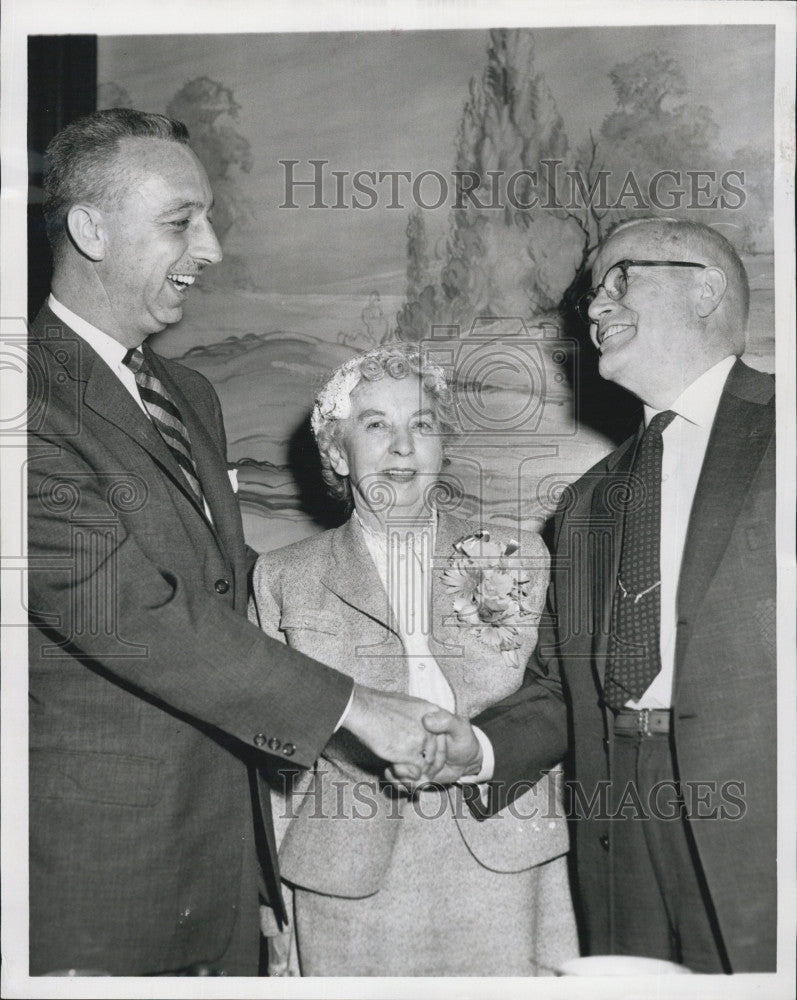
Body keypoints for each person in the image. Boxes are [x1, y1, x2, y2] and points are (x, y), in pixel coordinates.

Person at [27, 108, 446, 976]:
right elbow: (136, 614)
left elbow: (232, 585)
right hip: (97, 879)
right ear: (89, 229)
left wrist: (396, 610)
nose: (211, 249)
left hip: (221, 858)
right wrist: (359, 711)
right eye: (181, 222)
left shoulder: (186, 394)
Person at [414, 219, 776, 973]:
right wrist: (475, 747)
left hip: (766, 822)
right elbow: (559, 682)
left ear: (704, 288)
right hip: (615, 821)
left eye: (620, 278)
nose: (594, 306)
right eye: (589, 293)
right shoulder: (585, 502)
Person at [249, 345, 578, 975]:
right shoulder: (282, 578)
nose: (403, 448)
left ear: (441, 448)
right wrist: (275, 897)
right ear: (338, 454)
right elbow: (273, 762)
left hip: (506, 859)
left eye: (421, 425)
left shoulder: (521, 555)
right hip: (345, 881)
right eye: (376, 426)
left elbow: (554, 703)